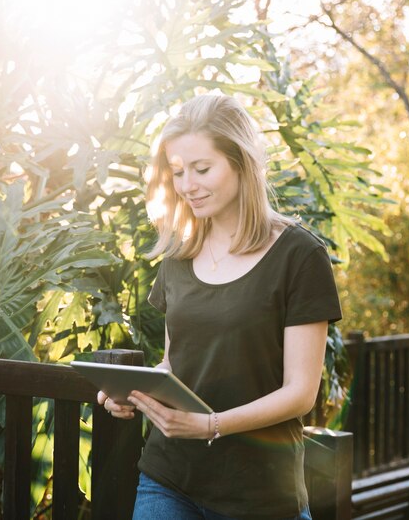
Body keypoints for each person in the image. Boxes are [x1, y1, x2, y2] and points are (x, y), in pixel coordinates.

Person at [98, 94, 342, 520]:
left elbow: (301, 393)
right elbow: (175, 364)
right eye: (177, 172)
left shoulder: (300, 256)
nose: (187, 185)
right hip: (169, 478)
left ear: (241, 163)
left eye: (202, 169)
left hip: (260, 494)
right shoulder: (179, 256)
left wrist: (211, 425)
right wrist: (133, 393)